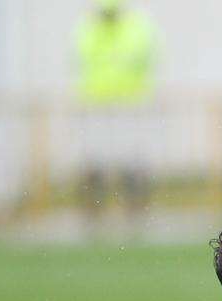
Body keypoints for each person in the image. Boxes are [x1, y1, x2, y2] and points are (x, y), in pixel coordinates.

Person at [74, 0, 159, 216]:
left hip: (129, 101)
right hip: (98, 101)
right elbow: (82, 57)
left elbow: (144, 56)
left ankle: (135, 205)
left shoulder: (135, 27)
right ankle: (94, 206)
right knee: (96, 156)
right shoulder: (90, 28)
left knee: (132, 156)